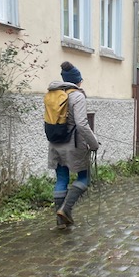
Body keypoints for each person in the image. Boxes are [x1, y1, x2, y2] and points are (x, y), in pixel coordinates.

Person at [47, 61, 99, 229]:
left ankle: (60, 222)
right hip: (73, 144)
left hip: (55, 143)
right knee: (84, 177)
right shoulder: (77, 96)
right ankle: (65, 209)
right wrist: (93, 144)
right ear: (77, 80)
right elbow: (82, 124)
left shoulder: (53, 94)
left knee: (62, 178)